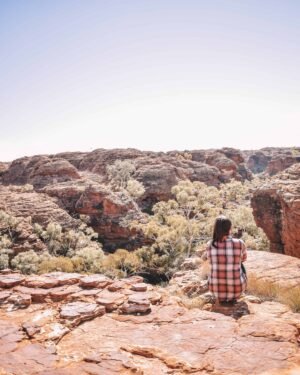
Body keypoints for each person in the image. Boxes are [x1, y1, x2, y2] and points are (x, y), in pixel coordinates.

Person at [206, 215, 247, 306]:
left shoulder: (210, 244)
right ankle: (233, 296)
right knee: (241, 265)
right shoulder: (240, 243)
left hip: (215, 290)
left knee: (215, 267)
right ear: (229, 228)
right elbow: (244, 259)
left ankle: (222, 298)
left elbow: (210, 260)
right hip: (238, 289)